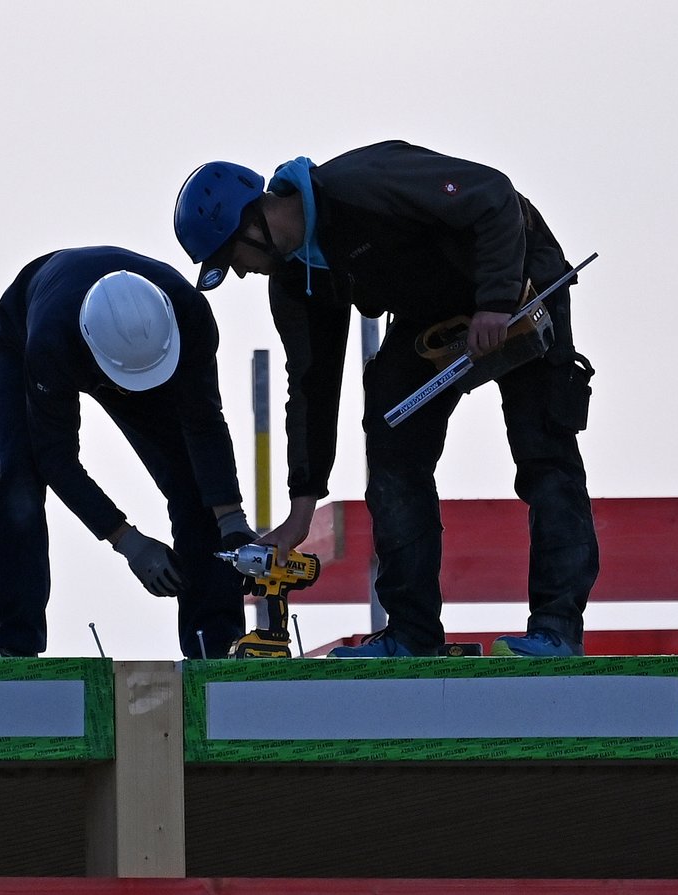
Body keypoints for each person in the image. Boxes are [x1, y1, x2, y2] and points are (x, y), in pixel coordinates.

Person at [174, 141, 599, 657]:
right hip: (431, 312)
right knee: (391, 441)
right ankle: (411, 634)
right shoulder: (297, 281)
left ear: (251, 224)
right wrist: (300, 511)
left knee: (543, 450)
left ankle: (556, 629)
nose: (240, 272)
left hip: (516, 276)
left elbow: (492, 195)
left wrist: (494, 300)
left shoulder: (362, 184)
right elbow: (311, 388)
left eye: (230, 258)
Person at [0, 246, 255, 659]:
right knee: (20, 485)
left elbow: (204, 422)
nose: (136, 394)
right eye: (131, 383)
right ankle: (16, 646)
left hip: (137, 347)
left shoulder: (190, 314)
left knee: (194, 484)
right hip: (26, 328)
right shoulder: (50, 343)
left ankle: (214, 644)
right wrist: (127, 542)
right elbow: (55, 457)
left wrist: (232, 521)